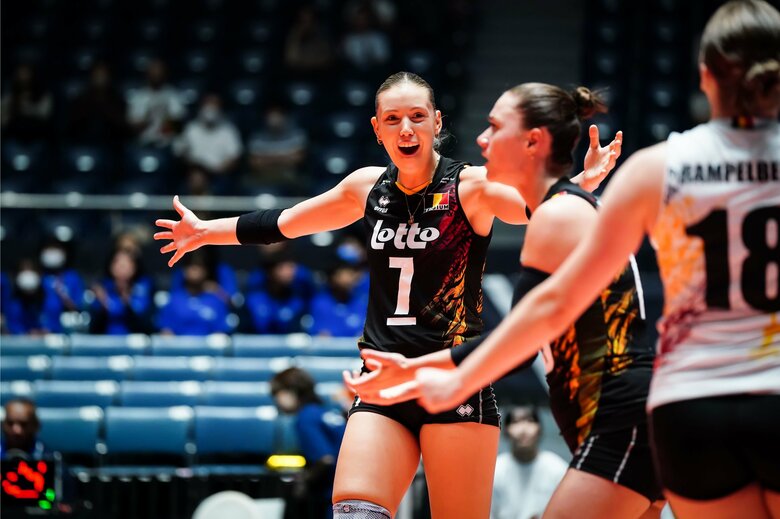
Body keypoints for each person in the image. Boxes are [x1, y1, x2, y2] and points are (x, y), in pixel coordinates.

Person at [355, 2, 780, 518]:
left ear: (705, 75)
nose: (481, 141)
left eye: (493, 127)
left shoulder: (655, 169)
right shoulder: (576, 204)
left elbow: (546, 311)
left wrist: (439, 373)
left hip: (682, 399)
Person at [155, 71, 620, 518]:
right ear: (377, 129)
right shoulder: (366, 187)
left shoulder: (470, 186)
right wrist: (203, 231)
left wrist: (579, 185)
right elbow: (284, 223)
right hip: (382, 381)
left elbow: (530, 208)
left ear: (437, 122)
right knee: (355, 511)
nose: (407, 128)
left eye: (418, 116)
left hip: (453, 383)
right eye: (393, 119)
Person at [345, 81, 664, 519]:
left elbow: (521, 338)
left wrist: (423, 374)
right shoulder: (565, 207)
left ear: (532, 141)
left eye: (495, 127)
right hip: (605, 415)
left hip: (618, 412)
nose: (481, 139)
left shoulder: (559, 214)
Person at [271, 367, 347, 519]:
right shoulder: (323, 412)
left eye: (277, 394)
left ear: (291, 392)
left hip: (334, 499)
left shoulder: (305, 418)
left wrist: (304, 481)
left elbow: (325, 460)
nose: (276, 401)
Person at [491, 405, 567, 519]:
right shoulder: (495, 471)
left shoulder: (557, 469)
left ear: (540, 429)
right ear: (506, 430)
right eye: (516, 421)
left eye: (530, 420)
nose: (523, 429)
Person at [89, 248, 155, 335]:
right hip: (105, 342)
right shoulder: (102, 289)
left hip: (133, 343)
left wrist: (127, 302)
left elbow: (146, 324)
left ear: (134, 267)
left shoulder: (142, 290)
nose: (121, 267)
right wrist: (103, 303)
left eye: (126, 263)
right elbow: (94, 327)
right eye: (118, 263)